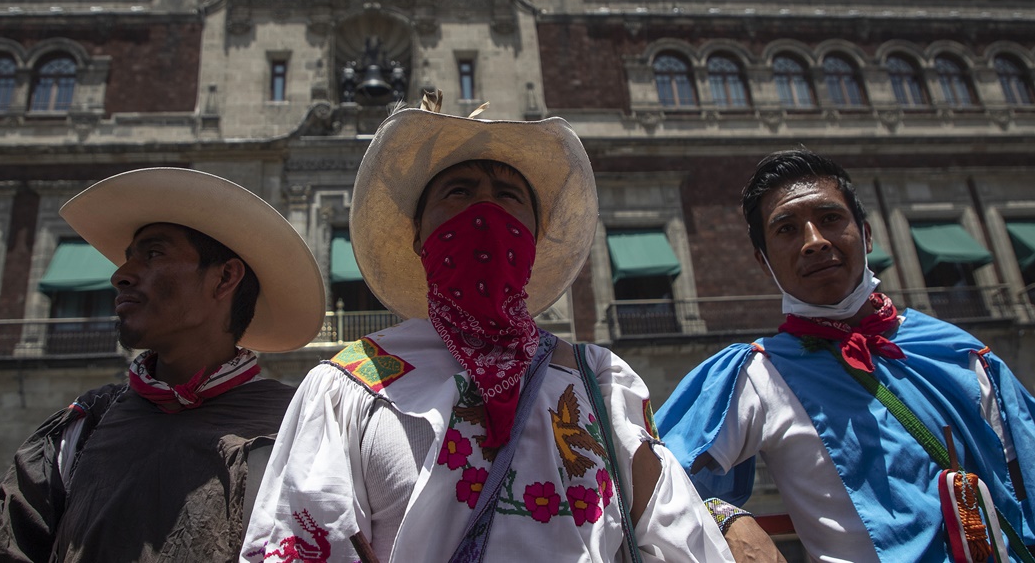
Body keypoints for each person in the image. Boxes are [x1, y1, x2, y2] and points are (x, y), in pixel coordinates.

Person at [242, 96, 734, 562]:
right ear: (418, 237)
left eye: (508, 196)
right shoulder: (345, 388)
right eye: (459, 192)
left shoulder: (603, 383)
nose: (485, 210)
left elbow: (681, 541)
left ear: (534, 239)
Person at [657, 149, 1035, 562]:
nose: (815, 242)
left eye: (830, 219)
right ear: (763, 263)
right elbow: (646, 475)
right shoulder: (754, 377)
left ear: (867, 235)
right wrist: (725, 517)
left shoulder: (960, 353)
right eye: (786, 229)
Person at [0, 167, 326, 562]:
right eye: (128, 259)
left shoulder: (297, 430)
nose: (120, 276)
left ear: (224, 278)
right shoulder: (80, 430)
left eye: (153, 254)